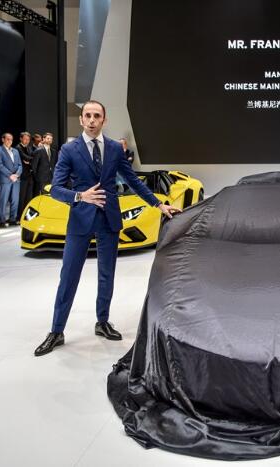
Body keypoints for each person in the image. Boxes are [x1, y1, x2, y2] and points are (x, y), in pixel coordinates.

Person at [34, 100, 181, 356]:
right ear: (81, 119)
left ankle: (102, 322)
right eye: (88, 115)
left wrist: (158, 204)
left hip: (109, 219)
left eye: (97, 116)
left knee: (107, 274)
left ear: (104, 120)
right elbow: (55, 189)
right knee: (69, 276)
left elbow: (133, 180)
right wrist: (80, 196)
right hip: (80, 220)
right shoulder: (69, 150)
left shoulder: (114, 148)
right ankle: (56, 330)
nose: (92, 120)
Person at [0, 133, 22, 227]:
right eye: (8, 139)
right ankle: (2, 220)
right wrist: (10, 175)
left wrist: (17, 174)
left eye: (11, 139)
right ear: (3, 139)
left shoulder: (15, 151)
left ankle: (12, 219)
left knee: (15, 200)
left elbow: (20, 165)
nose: (10, 141)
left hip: (16, 179)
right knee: (3, 200)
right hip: (5, 179)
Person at [15, 132, 34, 216]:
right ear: (21, 139)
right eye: (25, 139)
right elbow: (25, 157)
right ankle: (19, 216)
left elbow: (32, 158)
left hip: (30, 175)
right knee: (21, 197)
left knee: (29, 198)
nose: (27, 141)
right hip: (22, 176)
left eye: (28, 139)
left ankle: (27, 215)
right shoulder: (18, 148)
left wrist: (29, 161)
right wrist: (31, 160)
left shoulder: (29, 148)